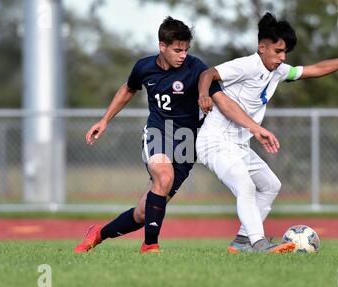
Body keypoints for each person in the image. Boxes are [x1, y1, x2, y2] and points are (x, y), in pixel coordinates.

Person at [74, 16, 290, 254]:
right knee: (163, 178)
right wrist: (104, 120)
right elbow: (128, 89)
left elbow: (224, 102)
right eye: (177, 50)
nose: (183, 55)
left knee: (144, 213)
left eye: (186, 49)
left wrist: (254, 128)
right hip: (158, 133)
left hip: (189, 142)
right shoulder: (144, 67)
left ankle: (98, 233)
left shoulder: (196, 68)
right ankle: (150, 246)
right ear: (162, 46)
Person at [196, 12, 338, 253]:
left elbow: (315, 69)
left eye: (285, 53)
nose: (282, 58)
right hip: (215, 142)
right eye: (278, 51)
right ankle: (258, 243)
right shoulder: (246, 65)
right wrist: (203, 94)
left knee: (271, 185)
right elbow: (207, 74)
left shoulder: (279, 72)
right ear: (262, 47)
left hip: (238, 146)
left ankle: (241, 242)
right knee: (246, 186)